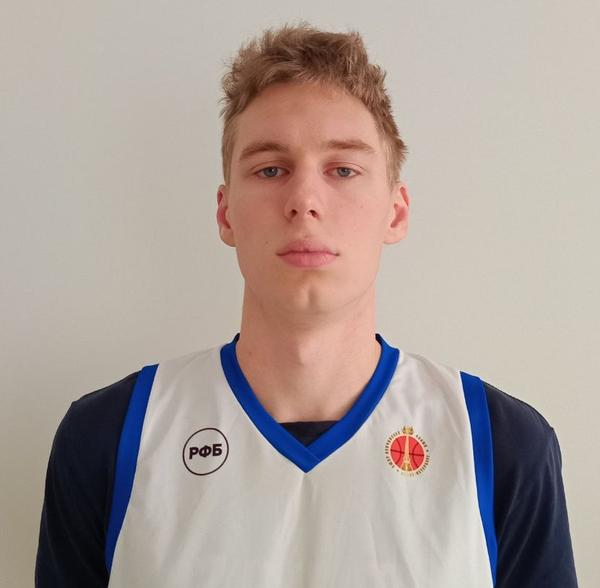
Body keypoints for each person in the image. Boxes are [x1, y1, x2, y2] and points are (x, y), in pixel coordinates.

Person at [35, 21, 578, 587]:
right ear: (225, 213)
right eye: (271, 169)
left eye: (343, 169)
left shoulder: (500, 445)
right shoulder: (110, 436)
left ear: (395, 211)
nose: (304, 200)